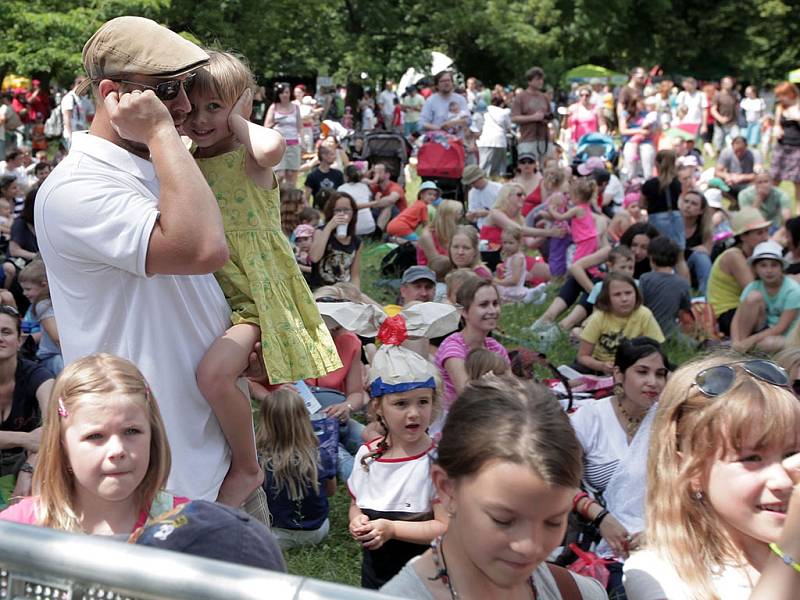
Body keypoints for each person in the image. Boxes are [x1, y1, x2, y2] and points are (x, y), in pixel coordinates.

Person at [33, 17, 241, 503]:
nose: (185, 106)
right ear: (112, 93)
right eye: (168, 90)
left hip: (209, 454)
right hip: (154, 480)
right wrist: (164, 134)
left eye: (188, 86)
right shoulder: (76, 189)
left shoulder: (153, 166)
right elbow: (202, 250)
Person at [186, 51, 340, 509]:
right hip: (210, 291)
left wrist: (237, 118)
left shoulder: (249, 158)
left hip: (253, 296)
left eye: (215, 107)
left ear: (241, 107)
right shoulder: (187, 158)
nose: (200, 119)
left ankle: (247, 465)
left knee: (214, 377)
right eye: (192, 108)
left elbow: (274, 147)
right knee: (219, 378)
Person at [381, 376, 607, 599]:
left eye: (554, 522)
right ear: (447, 489)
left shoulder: (580, 594)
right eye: (503, 520)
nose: (529, 546)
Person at [623, 355, 800, 599]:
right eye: (752, 459)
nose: (783, 481)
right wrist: (789, 553)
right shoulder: (657, 572)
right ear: (690, 470)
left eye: (791, 454)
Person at [0, 353, 187, 534]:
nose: (117, 450)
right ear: (62, 447)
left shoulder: (187, 523)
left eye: (131, 431)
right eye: (95, 436)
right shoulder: (23, 527)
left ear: (153, 437)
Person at [348, 309, 452, 589]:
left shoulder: (436, 462)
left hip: (425, 577)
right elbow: (357, 502)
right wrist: (357, 520)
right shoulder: (368, 456)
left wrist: (392, 529)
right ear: (378, 407)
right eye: (401, 404)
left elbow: (444, 527)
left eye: (423, 402)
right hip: (375, 574)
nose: (414, 413)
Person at [571, 337, 670, 597]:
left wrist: (658, 532)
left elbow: (692, 489)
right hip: (602, 542)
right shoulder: (590, 417)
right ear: (618, 374)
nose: (653, 382)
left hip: (663, 540)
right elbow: (555, 479)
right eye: (642, 372)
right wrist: (601, 517)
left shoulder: (671, 423)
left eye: (660, 374)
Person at [257, 387, 336, 550]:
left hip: (276, 536)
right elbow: (331, 491)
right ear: (304, 420)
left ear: (266, 423)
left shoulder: (259, 462)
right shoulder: (321, 456)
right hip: (316, 532)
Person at [0, 305, 53, 499]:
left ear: (19, 340)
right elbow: (35, 439)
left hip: (25, 459)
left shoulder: (38, 376)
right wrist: (26, 439)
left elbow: (55, 425)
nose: (0, 338)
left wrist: (29, 468)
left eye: (6, 332)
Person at [435, 277, 509, 411]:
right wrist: (495, 386)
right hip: (456, 417)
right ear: (464, 311)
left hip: (491, 411)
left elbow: (513, 386)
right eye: (484, 305)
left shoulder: (495, 347)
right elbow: (467, 395)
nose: (492, 310)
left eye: (495, 303)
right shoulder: (453, 347)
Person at [577, 273, 664, 375]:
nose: (624, 299)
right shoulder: (599, 317)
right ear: (607, 298)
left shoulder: (644, 315)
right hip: (599, 365)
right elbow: (583, 356)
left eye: (628, 293)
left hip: (635, 367)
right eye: (617, 294)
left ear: (636, 293)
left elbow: (657, 350)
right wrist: (601, 366)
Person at [707, 207, 771, 337]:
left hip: (743, 310)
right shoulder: (734, 256)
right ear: (743, 236)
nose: (766, 238)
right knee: (756, 298)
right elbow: (752, 290)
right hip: (726, 315)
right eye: (759, 233)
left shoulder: (755, 253)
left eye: (766, 231)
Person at [731, 240, 800, 353]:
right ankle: (740, 351)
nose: (769, 270)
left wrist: (750, 341)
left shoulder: (793, 290)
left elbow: (781, 327)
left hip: (785, 336)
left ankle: (746, 349)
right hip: (761, 330)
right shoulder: (753, 286)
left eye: (774, 265)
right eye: (763, 265)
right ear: (755, 269)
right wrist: (736, 342)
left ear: (782, 268)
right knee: (753, 297)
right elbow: (737, 318)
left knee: (770, 343)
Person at [639, 237, 692, 335]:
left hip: (646, 331)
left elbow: (639, 305)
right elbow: (685, 312)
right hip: (671, 333)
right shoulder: (683, 283)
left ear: (651, 258)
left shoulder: (645, 279)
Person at [309, 191, 362, 289]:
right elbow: (314, 257)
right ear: (331, 212)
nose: (342, 214)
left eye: (346, 210)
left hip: (343, 290)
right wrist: (329, 227)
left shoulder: (356, 241)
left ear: (353, 212)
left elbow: (355, 276)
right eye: (337, 210)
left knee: (372, 304)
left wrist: (356, 293)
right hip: (321, 289)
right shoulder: (321, 232)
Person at [18, 260, 62, 375]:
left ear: (44, 285)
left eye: (28, 289)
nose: (24, 293)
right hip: (52, 357)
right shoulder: (43, 304)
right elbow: (57, 337)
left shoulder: (57, 301)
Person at [264, 82, 302, 189]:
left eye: (286, 92)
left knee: (292, 175)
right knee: (279, 175)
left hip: (293, 144)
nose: (284, 95)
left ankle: (290, 201)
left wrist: (302, 142)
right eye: (282, 93)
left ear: (290, 94)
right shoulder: (274, 107)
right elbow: (266, 126)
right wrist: (276, 122)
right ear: (278, 94)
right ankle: (277, 198)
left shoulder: (296, 107)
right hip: (279, 145)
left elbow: (300, 127)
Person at [511, 66, 553, 163]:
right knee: (527, 168)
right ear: (529, 81)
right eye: (538, 79)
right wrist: (533, 118)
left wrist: (545, 118)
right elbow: (514, 118)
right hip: (527, 139)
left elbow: (550, 115)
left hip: (544, 139)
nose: (541, 82)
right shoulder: (521, 97)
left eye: (542, 79)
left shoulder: (544, 97)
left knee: (546, 168)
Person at [770, 82, 800, 206]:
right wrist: (777, 128)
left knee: (798, 182)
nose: (780, 98)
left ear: (791, 93)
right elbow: (777, 124)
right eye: (778, 95)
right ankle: (769, 208)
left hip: (798, 147)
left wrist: (797, 118)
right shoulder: (780, 107)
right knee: (774, 179)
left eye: (782, 95)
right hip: (782, 147)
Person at [679, 189, 714, 295]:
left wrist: (691, 251)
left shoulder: (704, 228)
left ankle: (704, 298)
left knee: (701, 257)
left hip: (692, 265)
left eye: (693, 204)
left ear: (701, 211)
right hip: (673, 264)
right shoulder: (672, 224)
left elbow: (707, 251)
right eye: (686, 201)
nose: (688, 206)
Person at [418, 71, 469, 138]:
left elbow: (468, 121)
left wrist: (452, 123)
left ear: (452, 83)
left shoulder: (461, 99)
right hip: (438, 142)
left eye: (448, 80)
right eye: (442, 81)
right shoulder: (430, 101)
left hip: (457, 142)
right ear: (437, 85)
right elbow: (422, 123)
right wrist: (439, 128)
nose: (446, 83)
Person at [416, 199, 462, 266]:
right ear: (450, 216)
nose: (461, 216)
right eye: (459, 213)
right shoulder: (427, 235)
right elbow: (437, 263)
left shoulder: (454, 230)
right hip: (432, 272)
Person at [477, 96, 512, 177]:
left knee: (483, 166)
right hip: (499, 141)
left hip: (484, 140)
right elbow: (508, 127)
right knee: (498, 168)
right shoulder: (504, 112)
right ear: (502, 103)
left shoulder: (485, 111)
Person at [338, 164, 376, 237]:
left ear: (345, 176)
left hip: (352, 228)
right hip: (369, 227)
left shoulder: (341, 189)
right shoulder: (364, 187)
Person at [711, 76, 741, 153]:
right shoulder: (717, 95)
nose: (728, 84)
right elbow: (713, 109)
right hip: (719, 124)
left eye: (730, 82)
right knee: (719, 145)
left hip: (732, 123)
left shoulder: (735, 95)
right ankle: (719, 160)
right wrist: (720, 118)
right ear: (722, 84)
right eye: (726, 82)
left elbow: (737, 108)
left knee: (737, 140)